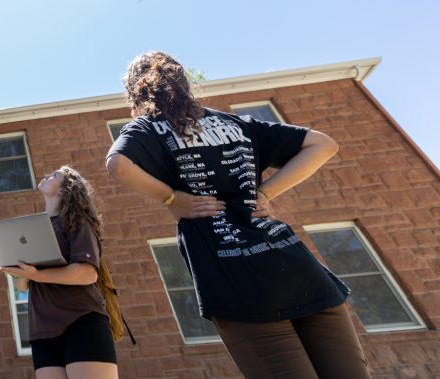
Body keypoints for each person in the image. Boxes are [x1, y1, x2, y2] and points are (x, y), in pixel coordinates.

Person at [105, 51, 369, 379]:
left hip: (237, 279)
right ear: (183, 82)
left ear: (134, 92)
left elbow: (117, 164)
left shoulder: (148, 128)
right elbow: (323, 144)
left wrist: (172, 198)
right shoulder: (235, 123)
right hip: (299, 268)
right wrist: (265, 192)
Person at [0, 166, 119, 379]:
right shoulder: (32, 229)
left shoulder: (77, 221)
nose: (46, 175)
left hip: (81, 321)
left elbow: (87, 274)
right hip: (42, 331)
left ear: (65, 190)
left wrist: (37, 274)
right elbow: (23, 286)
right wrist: (18, 272)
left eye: (55, 176)